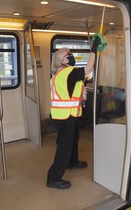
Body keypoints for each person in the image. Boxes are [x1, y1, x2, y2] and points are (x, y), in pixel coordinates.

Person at [46, 37, 101, 190]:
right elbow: (89, 68)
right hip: (65, 116)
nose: (70, 55)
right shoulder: (69, 72)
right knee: (64, 146)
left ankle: (72, 161)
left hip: (65, 114)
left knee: (73, 138)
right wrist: (93, 49)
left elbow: (81, 79)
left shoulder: (60, 73)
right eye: (66, 54)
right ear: (61, 60)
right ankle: (53, 177)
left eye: (69, 52)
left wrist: (84, 83)